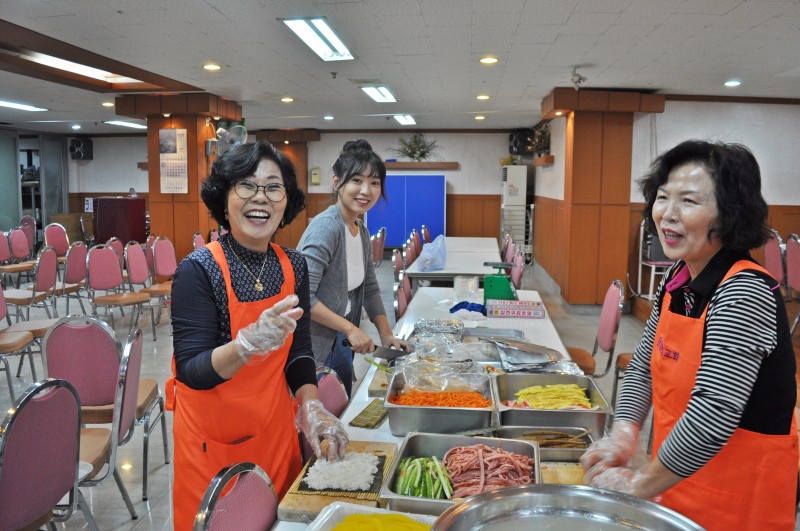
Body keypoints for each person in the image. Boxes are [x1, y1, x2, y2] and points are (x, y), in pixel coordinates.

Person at [581, 140, 798, 530]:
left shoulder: (743, 292)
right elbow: (643, 367)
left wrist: (640, 484)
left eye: (689, 201)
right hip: (676, 477)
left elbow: (714, 412)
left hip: (735, 498)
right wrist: (624, 434)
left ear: (730, 214)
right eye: (662, 197)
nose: (668, 214)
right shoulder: (677, 277)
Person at [167, 140, 349, 529]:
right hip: (215, 449)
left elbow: (298, 352)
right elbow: (192, 371)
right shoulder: (198, 271)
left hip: (276, 436)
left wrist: (311, 404)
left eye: (273, 187)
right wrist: (245, 345)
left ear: (286, 201)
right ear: (225, 196)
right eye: (246, 185)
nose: (260, 198)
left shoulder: (293, 265)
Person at [297, 139, 408, 397]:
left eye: (374, 182)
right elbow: (302, 296)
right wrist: (349, 328)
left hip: (341, 342)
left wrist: (386, 334)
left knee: (341, 415)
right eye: (356, 180)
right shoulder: (327, 227)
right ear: (337, 182)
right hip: (313, 347)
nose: (366, 190)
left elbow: (369, 289)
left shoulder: (360, 228)